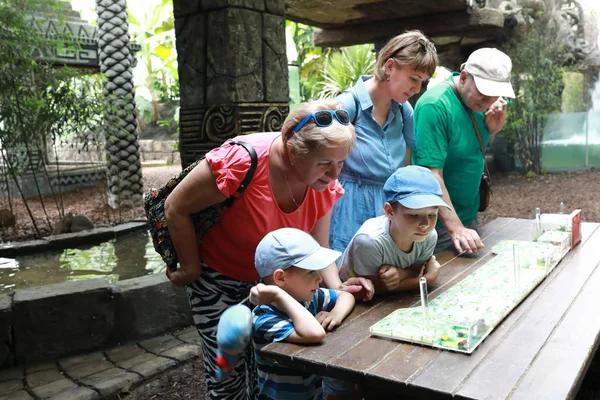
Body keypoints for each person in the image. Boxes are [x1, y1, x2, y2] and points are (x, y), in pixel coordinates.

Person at [163, 99, 374, 399]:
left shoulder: (322, 183)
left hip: (274, 280)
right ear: (292, 152)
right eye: (325, 164)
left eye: (341, 163)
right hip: (218, 277)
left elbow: (318, 246)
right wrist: (191, 268)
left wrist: (339, 287)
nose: (335, 174)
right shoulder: (242, 160)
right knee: (227, 374)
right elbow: (175, 207)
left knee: (267, 365)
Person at [329, 30, 438, 254]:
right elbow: (321, 165)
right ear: (389, 67)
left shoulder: (405, 111)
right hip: (349, 206)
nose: (417, 89)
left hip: (389, 206)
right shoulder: (348, 106)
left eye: (422, 82)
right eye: (413, 79)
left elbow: (405, 171)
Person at [412, 48, 516, 254]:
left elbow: (467, 149)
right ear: (464, 77)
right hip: (438, 225)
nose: (489, 100)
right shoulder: (435, 105)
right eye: (484, 92)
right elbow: (431, 176)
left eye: (495, 94)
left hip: (468, 216)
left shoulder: (480, 103)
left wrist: (492, 129)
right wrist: (456, 227)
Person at [251, 228, 356, 400]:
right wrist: (279, 295)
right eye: (311, 272)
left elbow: (346, 296)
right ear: (281, 278)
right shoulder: (264, 318)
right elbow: (314, 333)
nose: (320, 279)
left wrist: (335, 314)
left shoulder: (308, 297)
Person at [339, 165, 450, 294]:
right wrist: (427, 279)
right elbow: (371, 290)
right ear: (389, 211)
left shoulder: (429, 236)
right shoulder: (370, 241)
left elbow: (415, 271)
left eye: (432, 215)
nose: (425, 224)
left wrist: (402, 273)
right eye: (413, 215)